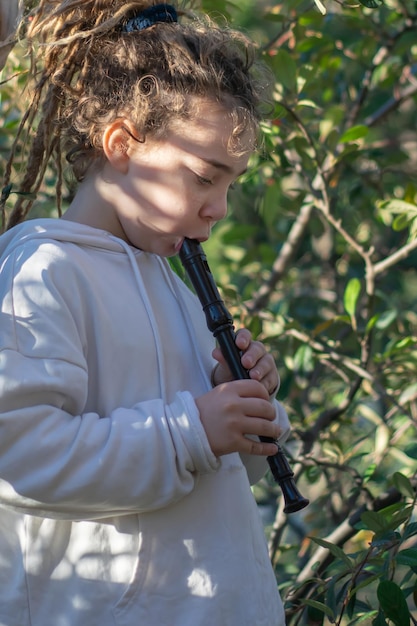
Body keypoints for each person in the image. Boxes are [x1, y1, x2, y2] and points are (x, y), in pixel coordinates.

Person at [0, 2, 291, 625]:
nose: (218, 207)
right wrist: (193, 430)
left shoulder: (173, 282)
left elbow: (208, 454)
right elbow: (19, 455)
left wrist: (238, 406)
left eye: (230, 185)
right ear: (122, 144)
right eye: (203, 177)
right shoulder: (45, 270)